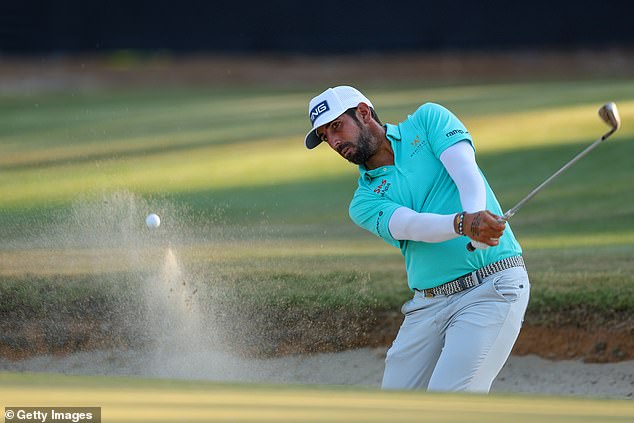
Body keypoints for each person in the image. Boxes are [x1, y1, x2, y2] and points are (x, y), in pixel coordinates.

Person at [303, 86, 530, 392]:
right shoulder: (364, 201)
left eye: (335, 126)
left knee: (447, 403)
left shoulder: (428, 120)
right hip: (428, 305)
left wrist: (476, 216)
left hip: (490, 288)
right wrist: (464, 224)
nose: (333, 141)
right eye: (325, 136)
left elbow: (466, 172)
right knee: (398, 407)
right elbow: (411, 226)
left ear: (364, 113)